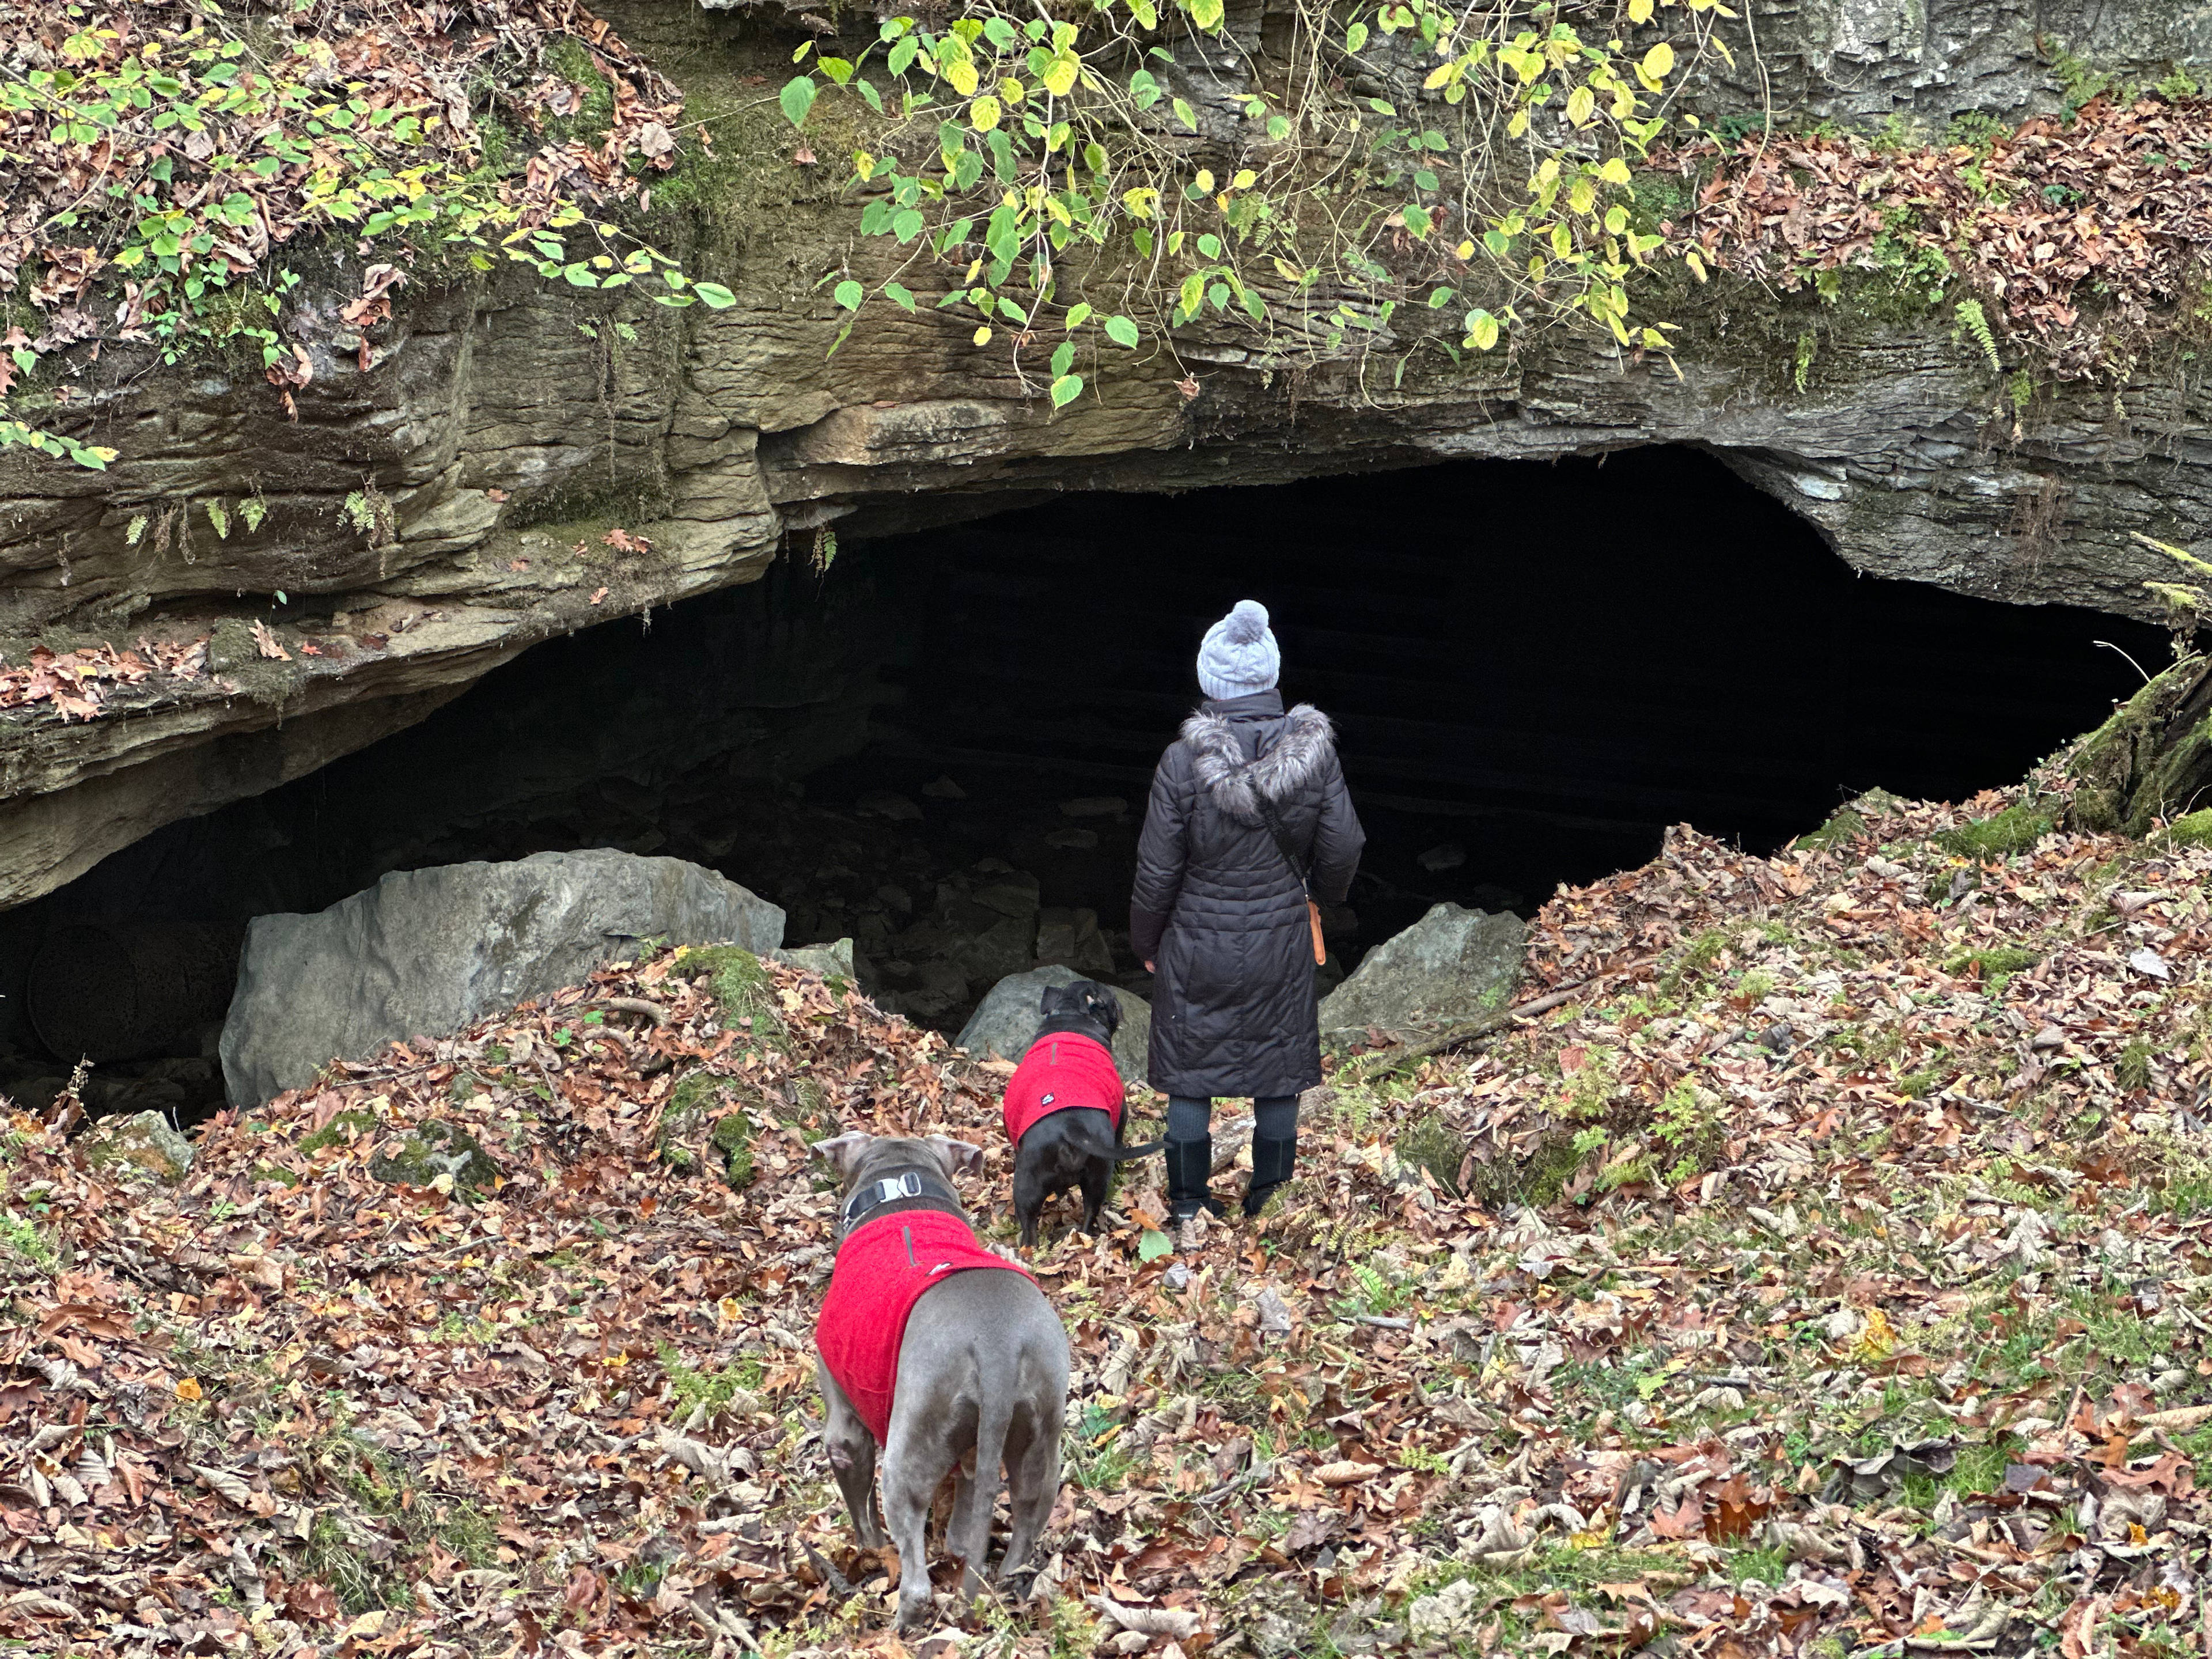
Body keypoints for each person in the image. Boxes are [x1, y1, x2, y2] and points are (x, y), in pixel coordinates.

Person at [1129, 600, 1365, 1223]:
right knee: (1279, 1064)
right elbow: (1345, 845)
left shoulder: (1182, 763)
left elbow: (1157, 870)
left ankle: (1186, 1204)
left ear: (1212, 682)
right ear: (1270, 678)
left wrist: (1146, 942)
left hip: (1196, 939)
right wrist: (1321, 898)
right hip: (1281, 933)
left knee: (1189, 1072)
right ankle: (1270, 1198)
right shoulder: (1314, 758)